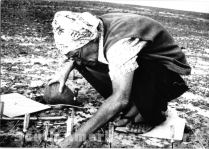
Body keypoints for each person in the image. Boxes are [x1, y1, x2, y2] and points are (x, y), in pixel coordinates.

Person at [46, 11, 191, 147]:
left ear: (92, 38)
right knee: (82, 63)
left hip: (166, 74)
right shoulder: (92, 27)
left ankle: (151, 113)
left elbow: (120, 98)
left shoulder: (119, 47)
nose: (74, 59)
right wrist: (63, 71)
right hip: (140, 64)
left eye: (76, 53)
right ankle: (135, 106)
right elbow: (78, 53)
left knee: (120, 98)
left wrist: (76, 138)